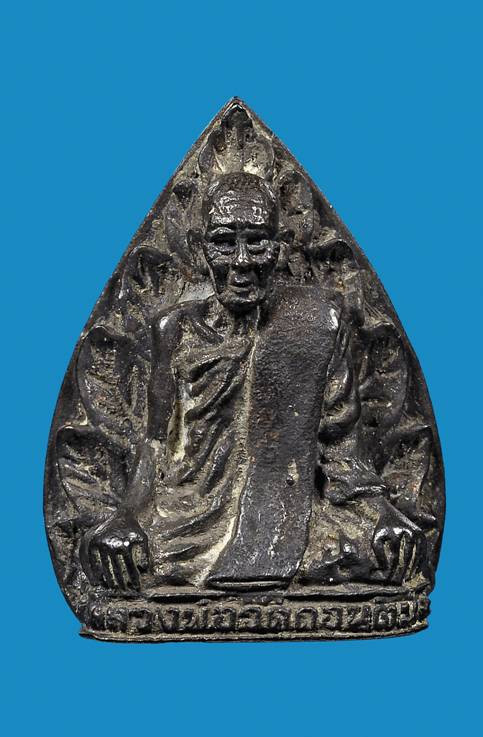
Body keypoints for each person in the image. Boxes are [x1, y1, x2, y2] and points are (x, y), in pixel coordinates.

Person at [80, 172, 425, 591]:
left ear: (279, 248)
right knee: (127, 558)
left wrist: (381, 511)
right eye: (225, 243)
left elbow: (342, 453)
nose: (241, 261)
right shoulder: (175, 329)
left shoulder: (318, 323)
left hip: (293, 512)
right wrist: (127, 515)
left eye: (257, 242)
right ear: (202, 249)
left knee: (383, 549)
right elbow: (155, 448)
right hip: (188, 521)